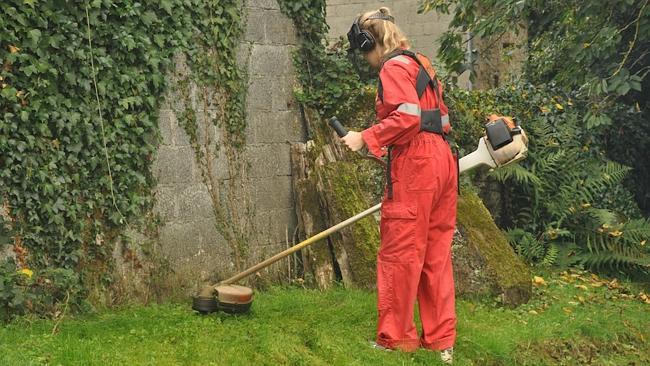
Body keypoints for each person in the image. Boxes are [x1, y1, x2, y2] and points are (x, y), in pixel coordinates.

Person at [341, 7, 457, 364]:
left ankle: (395, 340)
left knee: (400, 253)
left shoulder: (392, 67)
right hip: (442, 158)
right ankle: (440, 342)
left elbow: (405, 118)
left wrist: (365, 137)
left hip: (418, 165)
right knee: (435, 255)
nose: (366, 59)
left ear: (371, 43)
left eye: (364, 51)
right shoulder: (420, 62)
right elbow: (439, 118)